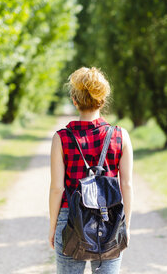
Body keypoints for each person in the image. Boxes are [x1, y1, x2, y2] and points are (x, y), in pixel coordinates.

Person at [48, 67, 134, 274]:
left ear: (74, 100)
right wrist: (126, 226)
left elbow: (57, 189)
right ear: (103, 99)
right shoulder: (120, 136)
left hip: (70, 219)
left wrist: (53, 228)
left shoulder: (62, 138)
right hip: (110, 219)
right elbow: (127, 185)